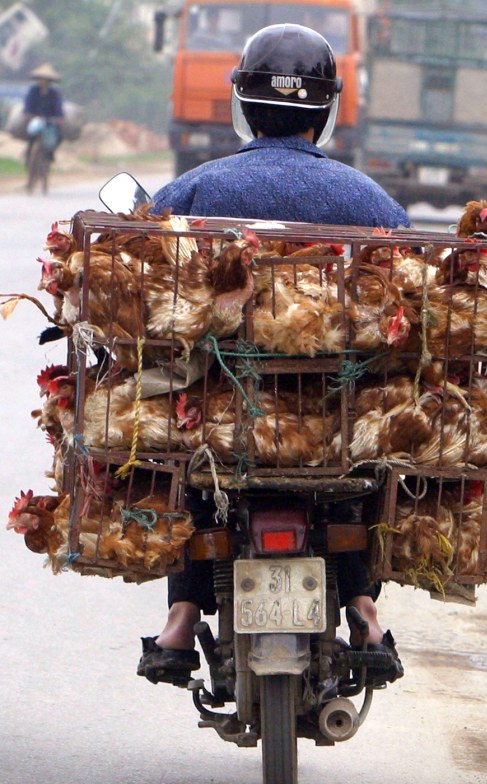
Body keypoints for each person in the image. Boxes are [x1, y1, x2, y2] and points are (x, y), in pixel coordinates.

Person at [137, 23, 410, 686]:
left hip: (219, 404)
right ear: (326, 109)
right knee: (350, 487)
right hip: (331, 410)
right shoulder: (368, 200)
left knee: (196, 481)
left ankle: (179, 622)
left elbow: (142, 260)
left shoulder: (194, 190)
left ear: (243, 104)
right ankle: (365, 610)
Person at [23, 63, 65, 162]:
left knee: (58, 134)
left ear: (50, 82)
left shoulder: (54, 93)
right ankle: (28, 153)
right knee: (30, 133)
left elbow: (58, 106)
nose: (43, 82)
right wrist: (27, 113)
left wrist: (59, 117)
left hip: (50, 119)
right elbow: (28, 103)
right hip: (35, 117)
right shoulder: (33, 90)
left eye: (46, 80)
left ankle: (51, 153)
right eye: (41, 80)